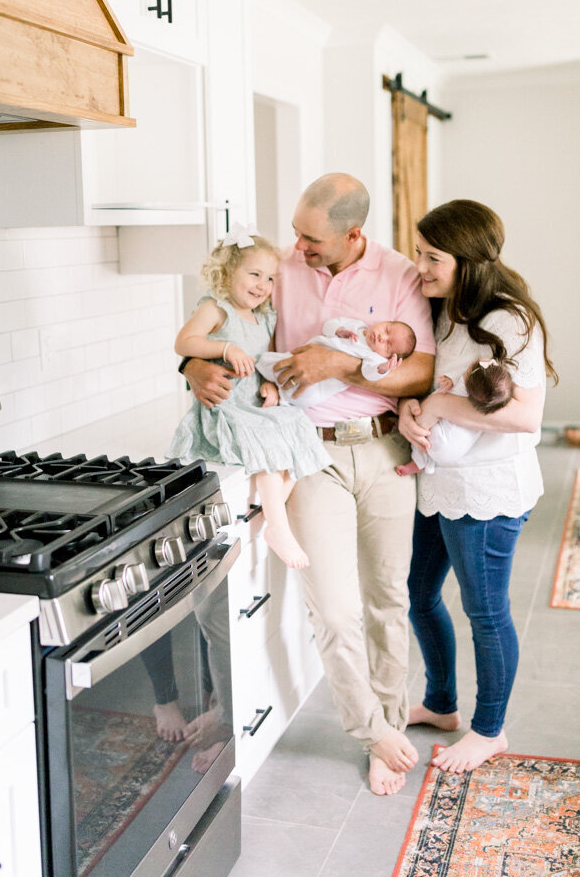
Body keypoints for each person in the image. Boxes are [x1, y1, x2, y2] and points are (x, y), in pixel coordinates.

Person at [182, 173, 436, 796]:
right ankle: (373, 732)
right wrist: (192, 363)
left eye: (310, 237)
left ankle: (391, 723)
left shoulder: (400, 275)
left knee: (387, 601)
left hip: (382, 451)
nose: (298, 247)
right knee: (335, 607)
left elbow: (424, 370)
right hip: (307, 455)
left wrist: (344, 364)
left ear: (353, 234)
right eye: (295, 232)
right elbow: (235, 330)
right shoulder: (283, 271)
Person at [399, 199, 557, 774]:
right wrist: (415, 407)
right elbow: (433, 381)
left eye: (432, 256)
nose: (420, 266)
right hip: (439, 482)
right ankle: (441, 704)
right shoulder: (443, 311)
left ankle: (489, 730)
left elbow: (524, 417)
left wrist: (439, 402)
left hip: (488, 493)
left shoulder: (511, 320)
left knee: (486, 613)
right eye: (418, 252)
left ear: (467, 260)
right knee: (419, 594)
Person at [167, 228, 331, 570]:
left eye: (270, 278)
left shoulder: (263, 316)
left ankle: (271, 520)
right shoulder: (217, 308)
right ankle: (278, 526)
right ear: (227, 272)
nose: (262, 285)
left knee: (300, 426)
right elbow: (184, 342)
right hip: (226, 407)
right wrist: (224, 348)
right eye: (254, 274)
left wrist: (270, 386)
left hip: (253, 404)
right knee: (268, 444)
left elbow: (264, 360)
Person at [257, 316, 417, 408]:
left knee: (307, 397)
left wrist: (383, 368)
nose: (382, 337)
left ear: (388, 357)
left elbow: (368, 373)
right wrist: (339, 330)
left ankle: (282, 398)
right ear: (384, 321)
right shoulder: (357, 326)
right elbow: (329, 325)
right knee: (275, 362)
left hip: (324, 383)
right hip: (307, 353)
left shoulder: (374, 357)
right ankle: (259, 368)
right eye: (387, 330)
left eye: (388, 346)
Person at [396, 358, 514, 475]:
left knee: (428, 413)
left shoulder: (463, 384)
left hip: (438, 442)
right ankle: (424, 463)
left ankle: (419, 461)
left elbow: (463, 377)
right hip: (455, 452)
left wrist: (451, 379)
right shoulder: (486, 408)